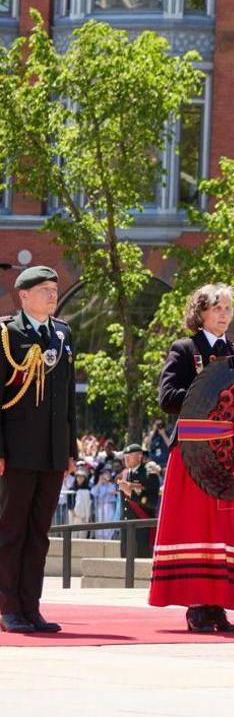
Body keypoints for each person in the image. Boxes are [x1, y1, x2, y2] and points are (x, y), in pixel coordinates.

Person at [149, 283, 234, 633]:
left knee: (224, 530)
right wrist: (209, 394)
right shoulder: (185, 350)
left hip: (231, 455)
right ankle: (197, 604)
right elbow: (167, 398)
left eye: (229, 308)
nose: (225, 314)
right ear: (200, 313)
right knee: (197, 526)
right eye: (218, 308)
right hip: (195, 454)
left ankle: (218, 605)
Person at [0, 267, 77, 634]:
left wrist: (70, 447)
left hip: (51, 450)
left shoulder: (62, 334)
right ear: (23, 296)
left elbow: (67, 400)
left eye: (54, 289)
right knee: (10, 531)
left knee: (39, 533)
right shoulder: (5, 334)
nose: (51, 295)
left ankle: (31, 607)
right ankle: (8, 607)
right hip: (15, 451)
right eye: (44, 290)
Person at [117, 443, 160, 558]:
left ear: (140, 456)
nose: (126, 459)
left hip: (141, 528)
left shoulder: (149, 474)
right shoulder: (125, 474)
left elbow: (152, 502)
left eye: (129, 456)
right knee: (125, 562)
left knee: (141, 561)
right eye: (124, 456)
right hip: (126, 527)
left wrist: (131, 494)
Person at [91, 469, 119, 540]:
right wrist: (99, 483)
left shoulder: (111, 485)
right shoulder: (99, 485)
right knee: (100, 524)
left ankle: (108, 539)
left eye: (106, 475)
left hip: (109, 506)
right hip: (100, 506)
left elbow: (111, 491)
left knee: (108, 523)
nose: (104, 477)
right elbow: (93, 492)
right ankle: (100, 539)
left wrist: (107, 482)